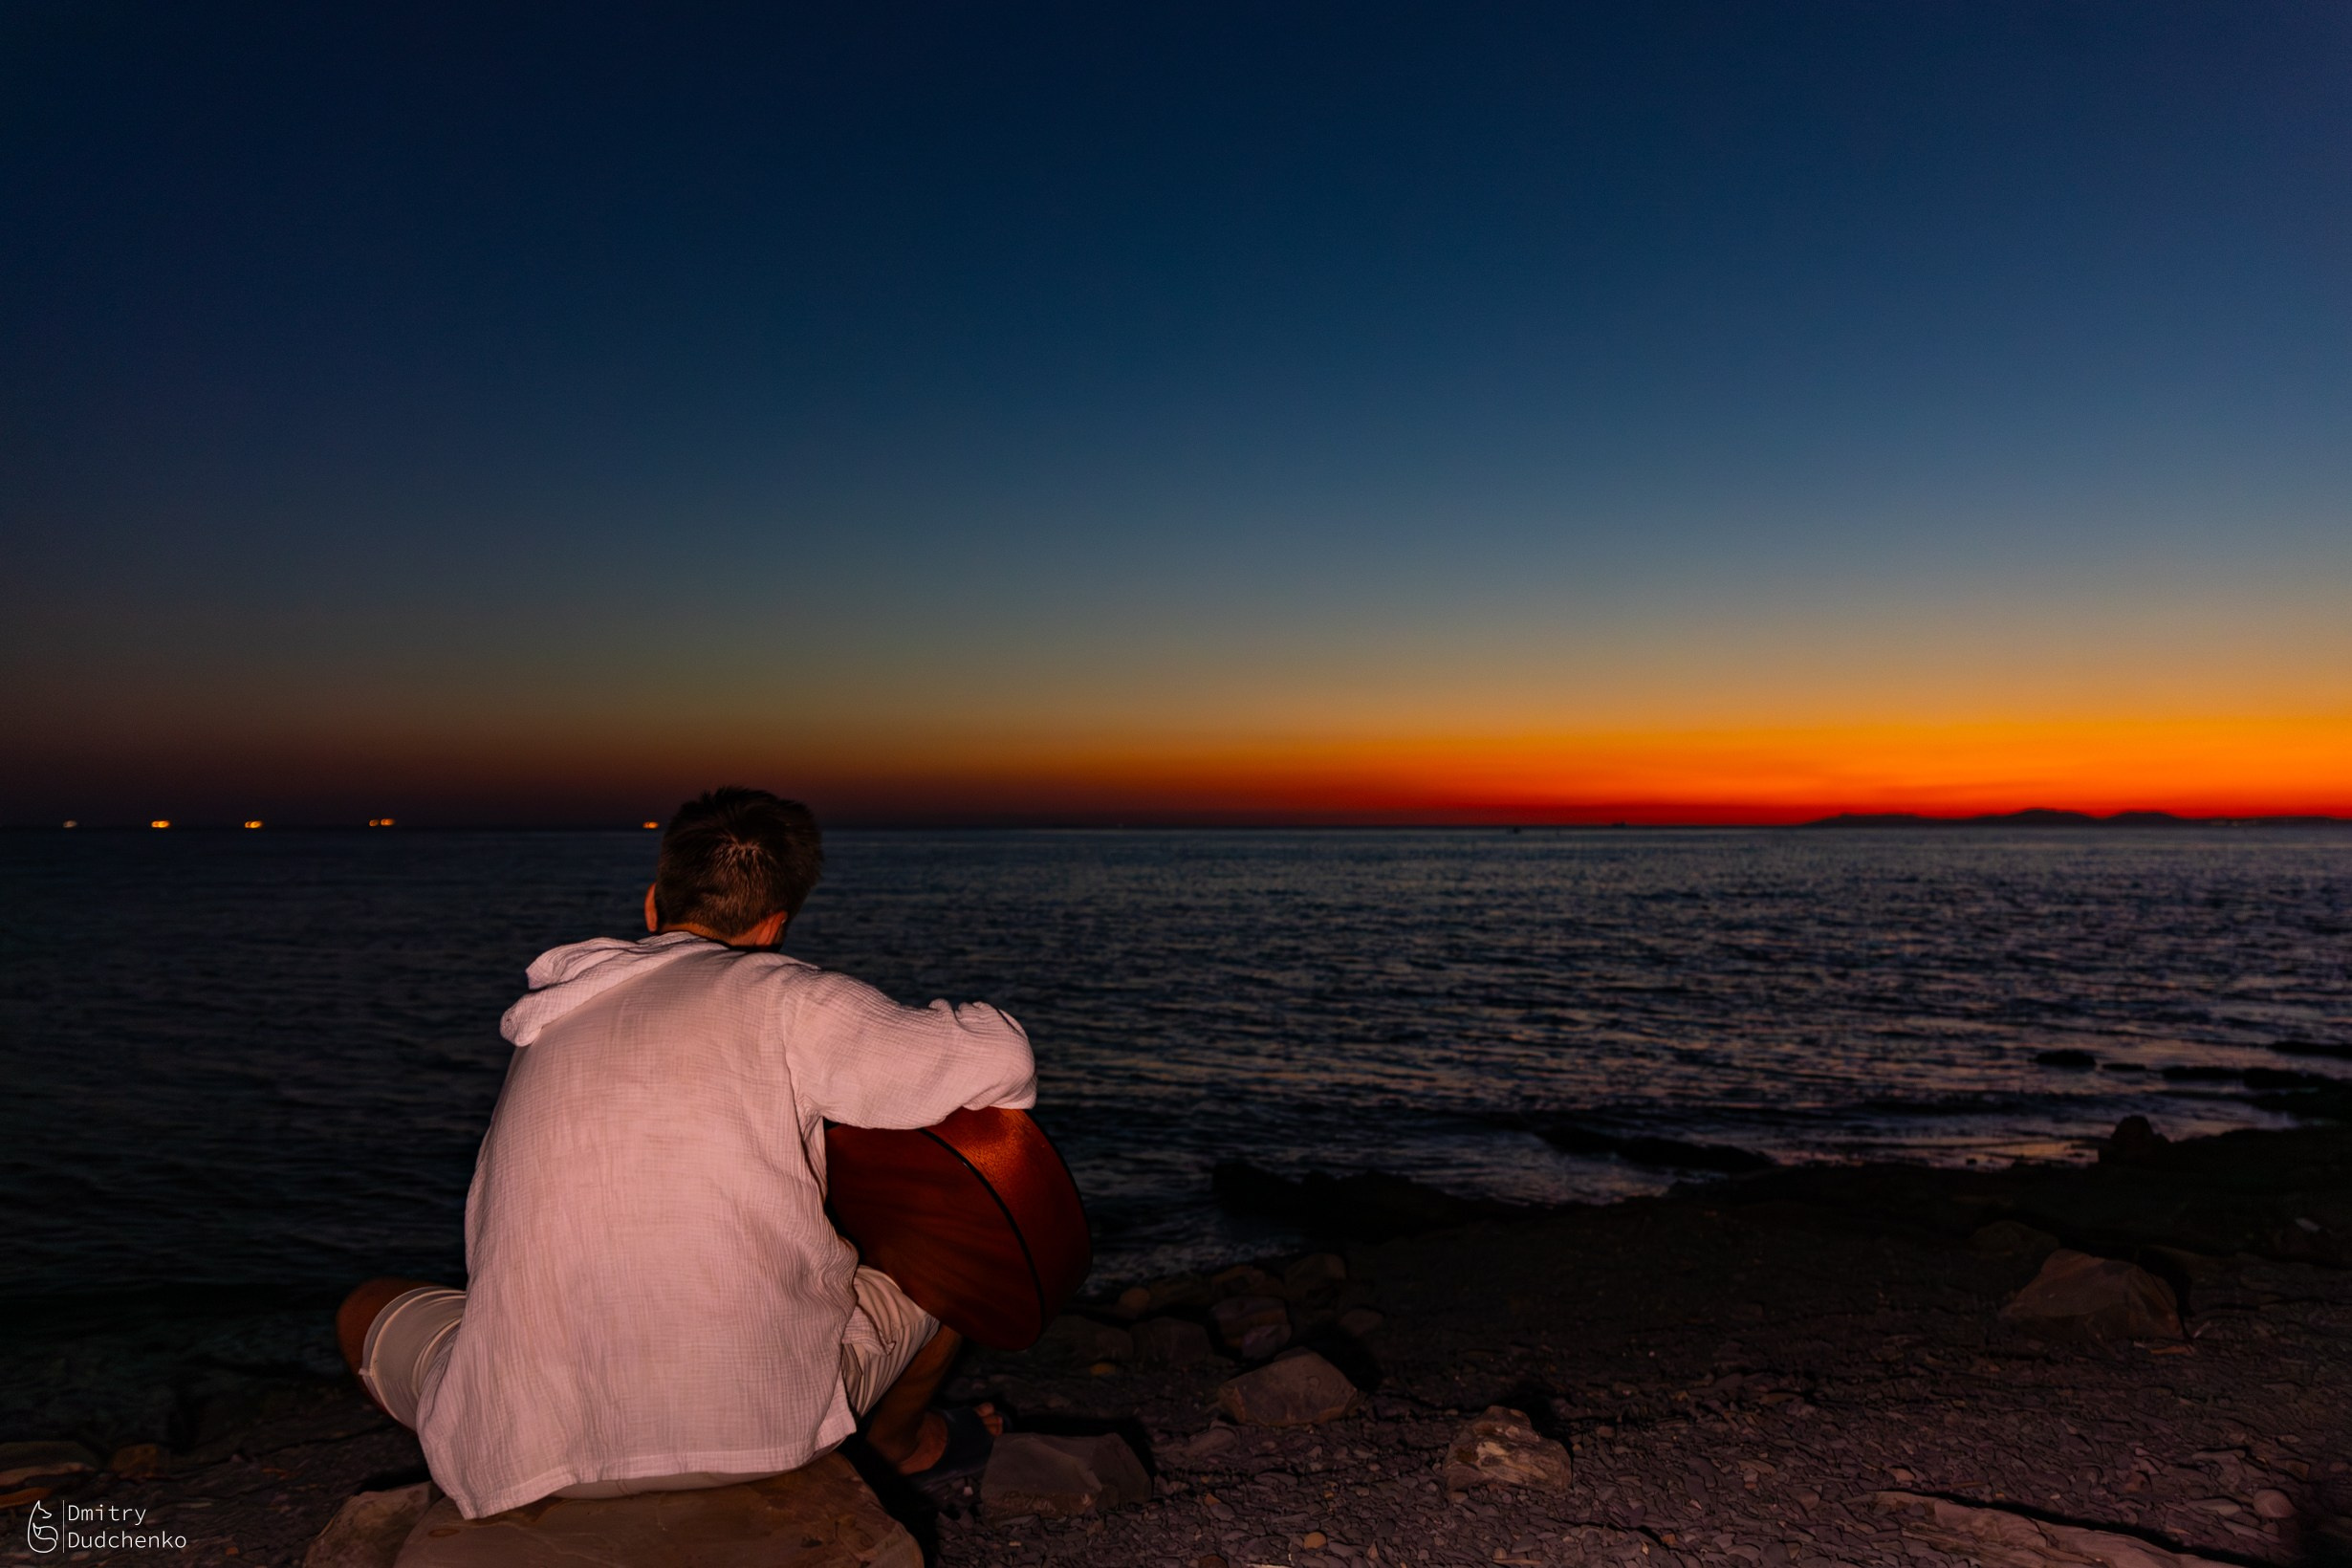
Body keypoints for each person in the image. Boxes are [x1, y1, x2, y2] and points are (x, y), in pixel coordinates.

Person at [334, 787, 1034, 1520]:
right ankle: (897, 1447)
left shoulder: (555, 1014)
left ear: (651, 906)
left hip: (524, 1445)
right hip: (759, 1428)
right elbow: (1003, 1055)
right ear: (773, 928)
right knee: (953, 1256)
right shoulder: (786, 999)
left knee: (367, 1310)